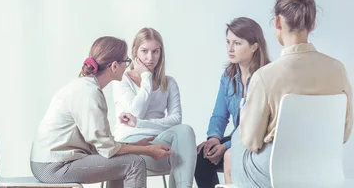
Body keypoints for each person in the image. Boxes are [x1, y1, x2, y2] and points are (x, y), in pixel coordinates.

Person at [231, 0, 353, 187]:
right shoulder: (337, 69)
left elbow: (251, 142)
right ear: (312, 24)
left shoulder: (265, 76)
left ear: (277, 22)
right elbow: (345, 132)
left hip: (275, 172)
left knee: (237, 138)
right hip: (323, 167)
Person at [30, 36, 173, 188]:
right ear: (114, 66)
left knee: (124, 161)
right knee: (134, 164)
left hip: (51, 162)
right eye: (126, 61)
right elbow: (107, 148)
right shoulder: (89, 93)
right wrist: (147, 150)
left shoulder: (86, 87)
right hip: (54, 166)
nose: (128, 66)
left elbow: (102, 144)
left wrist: (134, 144)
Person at [112, 27, 196, 188]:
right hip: (132, 145)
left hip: (162, 144)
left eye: (155, 52)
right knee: (179, 153)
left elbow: (176, 120)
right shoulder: (122, 80)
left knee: (185, 130)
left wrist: (140, 123)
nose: (150, 58)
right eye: (144, 51)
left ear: (161, 53)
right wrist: (146, 77)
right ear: (135, 51)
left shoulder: (169, 82)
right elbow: (137, 111)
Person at [194, 17, 271, 188]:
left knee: (230, 153)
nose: (230, 48)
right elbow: (219, 115)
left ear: (254, 46)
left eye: (237, 43)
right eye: (228, 42)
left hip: (259, 140)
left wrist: (228, 145)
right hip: (238, 136)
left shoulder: (267, 76)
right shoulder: (228, 77)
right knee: (201, 156)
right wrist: (214, 138)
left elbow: (261, 126)